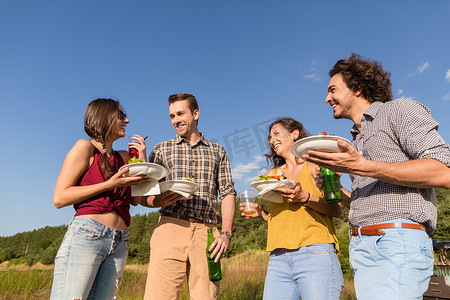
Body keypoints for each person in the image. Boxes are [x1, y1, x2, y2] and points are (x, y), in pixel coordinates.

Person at [303, 53, 450, 299]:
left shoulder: (399, 110)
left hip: (396, 242)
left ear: (358, 87)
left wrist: (362, 166)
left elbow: (443, 171)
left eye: (333, 90)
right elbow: (370, 197)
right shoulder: (355, 139)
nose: (326, 98)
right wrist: (340, 192)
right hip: (363, 246)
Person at [50, 98, 149, 299]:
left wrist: (142, 162)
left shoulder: (123, 157)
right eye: (121, 115)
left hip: (121, 240)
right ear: (104, 117)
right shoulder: (85, 148)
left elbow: (136, 201)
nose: (127, 121)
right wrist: (109, 184)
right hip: (88, 234)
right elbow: (59, 198)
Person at [141, 93, 236, 300]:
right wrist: (158, 201)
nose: (176, 120)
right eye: (172, 116)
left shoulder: (218, 151)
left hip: (208, 233)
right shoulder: (161, 149)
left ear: (196, 113)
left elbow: (227, 192)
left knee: (206, 297)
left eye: (180, 114)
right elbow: (144, 194)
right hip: (170, 227)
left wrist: (226, 233)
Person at [240, 117, 344, 300]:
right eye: (270, 137)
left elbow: (337, 210)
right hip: (278, 257)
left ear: (294, 134)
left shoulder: (314, 166)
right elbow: (282, 218)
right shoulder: (271, 176)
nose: (272, 140)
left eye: (277, 134)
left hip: (315, 253)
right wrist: (262, 214)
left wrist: (304, 197)